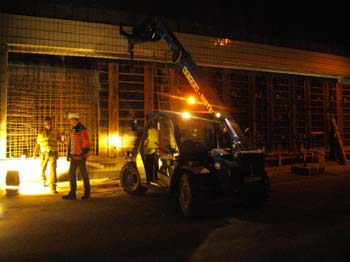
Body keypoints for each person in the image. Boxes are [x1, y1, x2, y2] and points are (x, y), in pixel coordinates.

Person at [62, 112, 92, 200]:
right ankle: (72, 193)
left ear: (74, 119)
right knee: (72, 173)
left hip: (80, 156)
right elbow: (72, 142)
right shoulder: (74, 129)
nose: (69, 122)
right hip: (74, 156)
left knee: (83, 174)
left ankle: (87, 192)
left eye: (70, 120)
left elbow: (86, 143)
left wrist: (82, 154)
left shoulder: (82, 130)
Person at [34, 116, 62, 194]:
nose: (49, 125)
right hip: (43, 153)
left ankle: (53, 186)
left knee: (53, 169)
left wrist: (62, 139)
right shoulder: (40, 133)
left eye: (50, 123)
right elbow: (38, 144)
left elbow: (60, 140)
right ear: (44, 124)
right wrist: (35, 152)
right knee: (43, 168)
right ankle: (43, 180)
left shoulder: (56, 132)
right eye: (47, 123)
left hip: (52, 152)